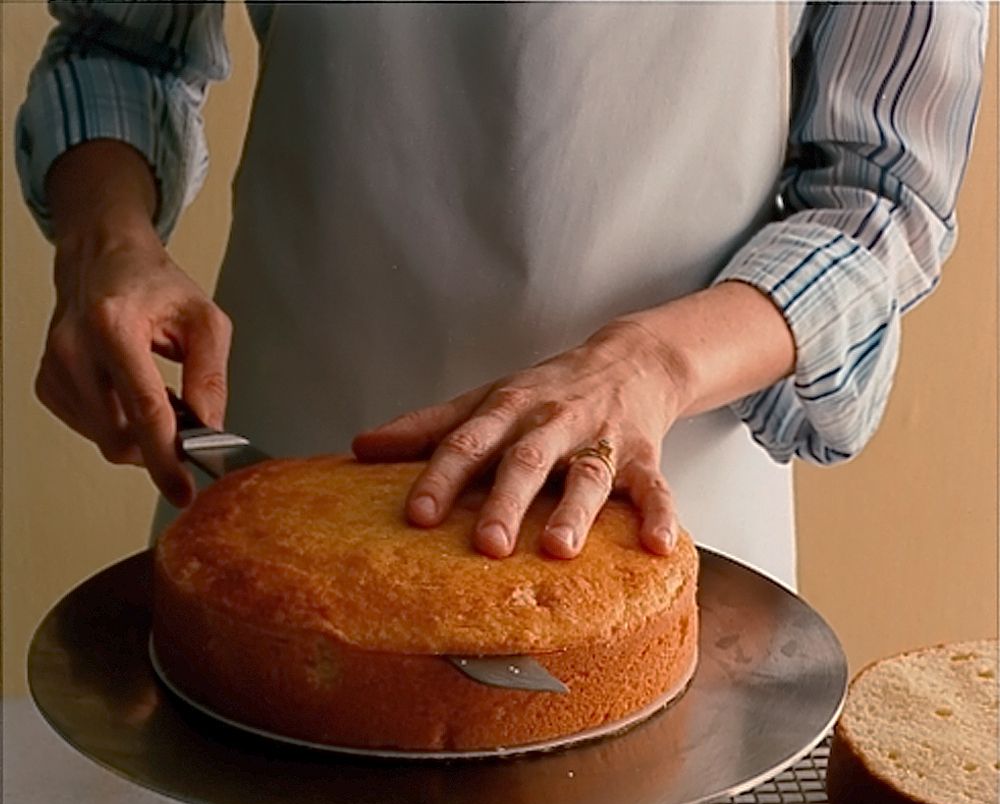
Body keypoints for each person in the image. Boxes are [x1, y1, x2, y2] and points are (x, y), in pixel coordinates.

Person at [16, 1, 987, 589]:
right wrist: (108, 243)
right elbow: (120, 44)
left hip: (663, 522)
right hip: (280, 489)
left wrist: (647, 366)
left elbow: (879, 198)